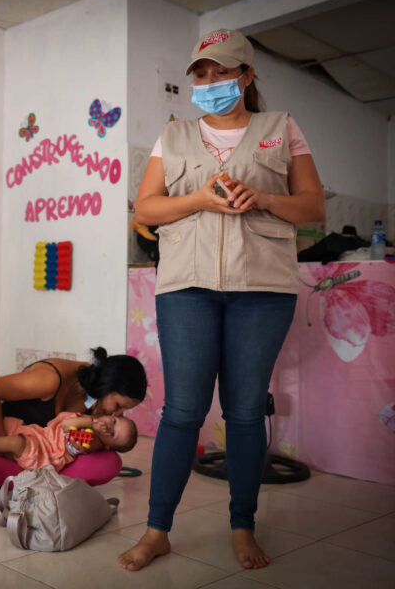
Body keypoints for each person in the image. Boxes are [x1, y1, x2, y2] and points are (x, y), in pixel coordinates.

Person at [117, 29, 324, 573]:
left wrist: (266, 199)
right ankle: (157, 530)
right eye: (201, 74)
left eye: (222, 72)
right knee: (183, 411)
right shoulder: (175, 135)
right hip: (187, 287)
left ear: (247, 76)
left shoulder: (281, 129)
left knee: (245, 411)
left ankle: (242, 525)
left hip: (262, 289)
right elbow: (147, 210)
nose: (210, 83)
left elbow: (312, 206)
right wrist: (198, 199)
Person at [0, 347, 147, 438]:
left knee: (109, 463)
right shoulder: (49, 380)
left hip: (38, 450)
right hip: (8, 437)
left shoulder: (93, 400)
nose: (117, 414)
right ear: (107, 385)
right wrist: (3, 444)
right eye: (118, 406)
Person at [0, 412, 137, 472]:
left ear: (108, 446)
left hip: (45, 453)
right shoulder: (91, 419)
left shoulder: (94, 442)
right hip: (41, 435)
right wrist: (91, 422)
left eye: (113, 433)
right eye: (114, 421)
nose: (108, 426)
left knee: (16, 443)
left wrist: (92, 425)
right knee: (6, 423)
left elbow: (67, 425)